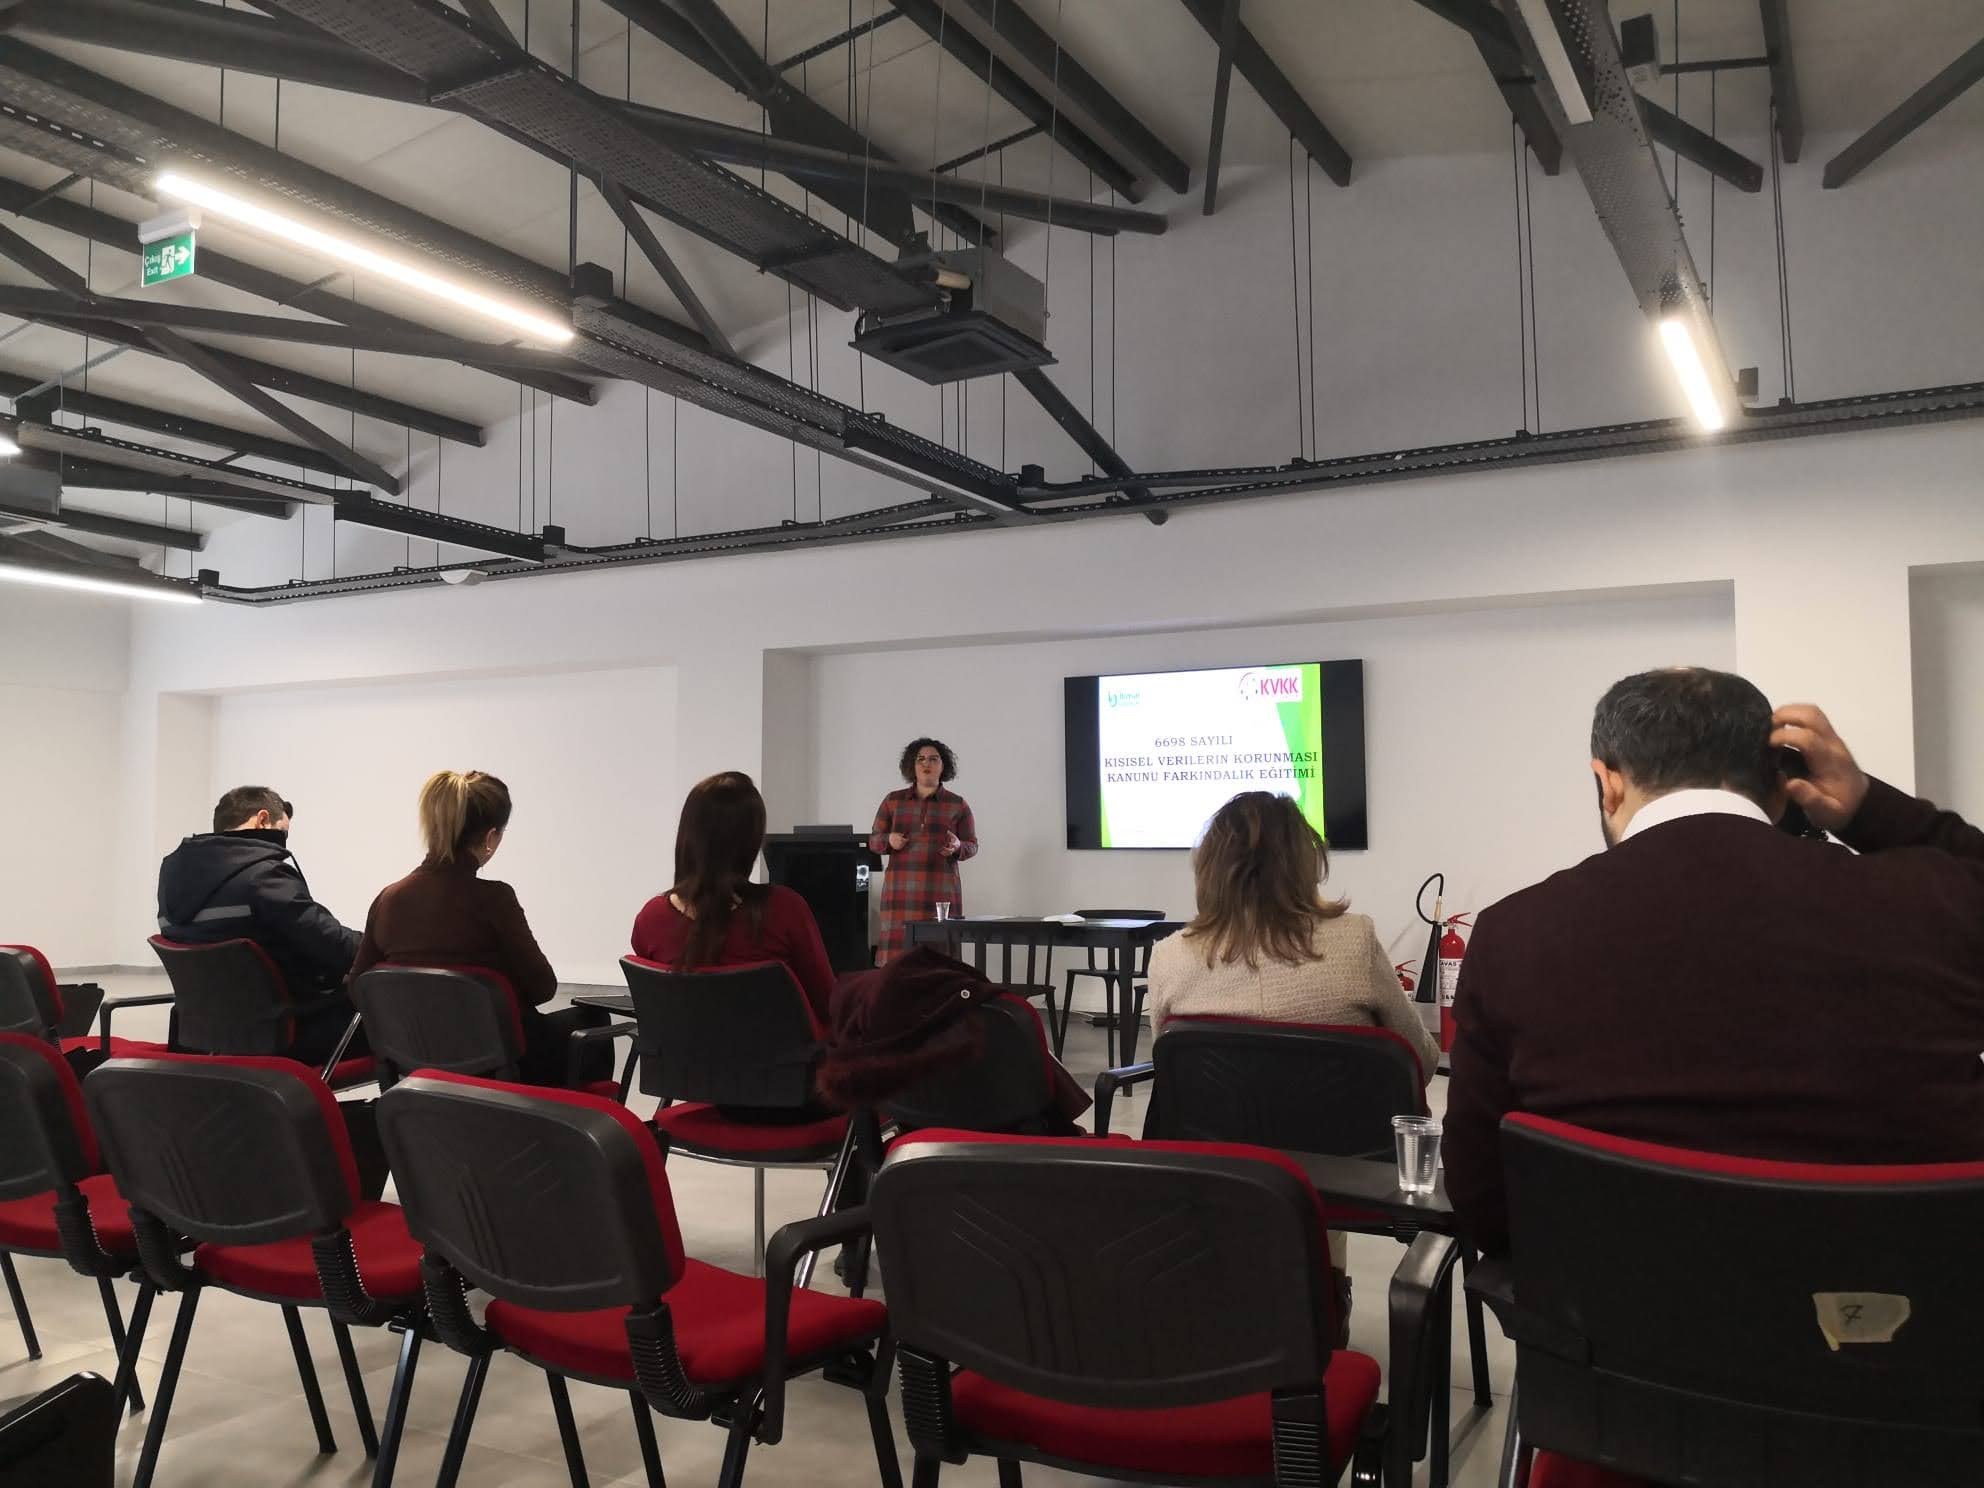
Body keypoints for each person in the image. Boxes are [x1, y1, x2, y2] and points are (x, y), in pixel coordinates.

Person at [1446, 668, 1984, 1260]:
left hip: (1610, 1340)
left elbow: (1483, 1201)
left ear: (1607, 784)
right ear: (1785, 787)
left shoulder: (1512, 934)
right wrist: (1869, 810)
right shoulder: (1936, 899)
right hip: (1909, 1330)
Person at [1146, 789, 1438, 1342]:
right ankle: (1325, 1297)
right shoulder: (1354, 942)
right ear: (1305, 863)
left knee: (1267, 1142)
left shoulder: (1171, 956)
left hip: (1215, 1168)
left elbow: (1172, 1072)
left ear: (1208, 866)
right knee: (1313, 1148)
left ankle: (1244, 1299)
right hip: (1352, 1174)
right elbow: (1417, 1060)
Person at [349, 771, 609, 1088]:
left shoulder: (388, 900)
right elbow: (543, 987)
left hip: (417, 1066)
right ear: (489, 838)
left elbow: (357, 987)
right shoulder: (494, 899)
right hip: (497, 1067)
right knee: (593, 1023)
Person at [157, 785, 361, 1067]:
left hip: (202, 1039)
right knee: (393, 1017)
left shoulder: (171, 878)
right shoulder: (264, 875)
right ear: (262, 819)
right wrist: (381, 942)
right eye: (284, 831)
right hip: (282, 1035)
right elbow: (335, 945)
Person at [631, 771, 837, 1026]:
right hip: (778, 1064)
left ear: (687, 836)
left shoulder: (651, 919)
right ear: (751, 841)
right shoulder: (785, 910)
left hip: (683, 1066)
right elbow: (829, 1005)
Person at [869, 738, 978, 963]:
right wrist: (889, 840)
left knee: (940, 965)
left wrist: (958, 846)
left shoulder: (957, 804)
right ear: (912, 765)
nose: (926, 763)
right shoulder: (893, 801)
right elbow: (873, 841)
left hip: (940, 895)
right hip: (900, 894)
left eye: (933, 759)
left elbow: (972, 845)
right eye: (920, 759)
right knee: (897, 965)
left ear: (943, 765)